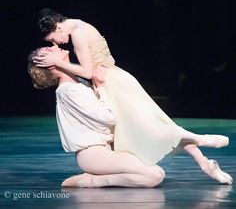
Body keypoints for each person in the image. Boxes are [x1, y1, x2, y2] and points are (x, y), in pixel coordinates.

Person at [28, 45, 233, 187]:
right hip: (93, 155)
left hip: (109, 148)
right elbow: (108, 117)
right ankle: (91, 181)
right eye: (48, 50)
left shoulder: (79, 83)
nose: (54, 46)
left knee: (157, 132)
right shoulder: (69, 91)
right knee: (154, 176)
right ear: (50, 64)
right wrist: (101, 88)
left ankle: (202, 156)